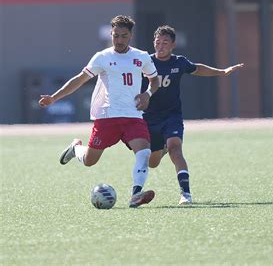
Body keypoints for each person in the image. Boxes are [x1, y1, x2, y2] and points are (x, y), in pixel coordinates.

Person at [38, 15, 160, 208]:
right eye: (116, 35)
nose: (119, 40)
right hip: (107, 117)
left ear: (131, 36)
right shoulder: (102, 57)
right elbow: (79, 79)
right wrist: (54, 97)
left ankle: (136, 194)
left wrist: (147, 94)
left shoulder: (142, 56)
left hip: (133, 116)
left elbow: (155, 80)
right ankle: (75, 148)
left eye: (124, 36)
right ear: (111, 34)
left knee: (144, 152)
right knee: (89, 161)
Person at [142, 25, 244, 205]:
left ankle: (186, 194)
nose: (161, 46)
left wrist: (221, 72)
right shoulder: (145, 62)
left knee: (176, 149)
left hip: (172, 116)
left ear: (173, 45)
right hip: (149, 119)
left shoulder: (179, 62)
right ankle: (161, 148)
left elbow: (197, 68)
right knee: (152, 162)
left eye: (165, 42)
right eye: (158, 42)